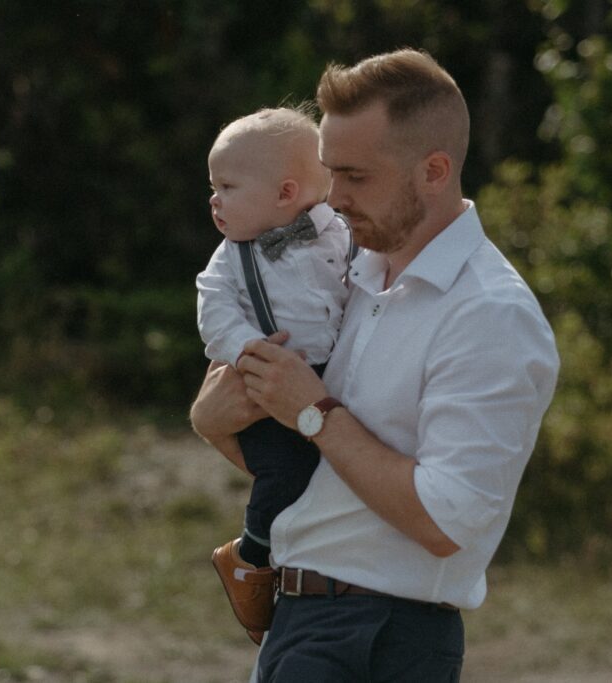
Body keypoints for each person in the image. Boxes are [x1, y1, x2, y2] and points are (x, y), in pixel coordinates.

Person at [191, 48, 559, 681]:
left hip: (384, 640)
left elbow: (447, 523)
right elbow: (317, 473)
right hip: (299, 622)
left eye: (356, 176)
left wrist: (313, 411)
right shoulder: (350, 272)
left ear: (434, 171)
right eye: (330, 172)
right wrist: (212, 420)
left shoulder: (491, 314)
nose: (333, 196)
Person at [195, 106, 352, 643]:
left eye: (228, 186)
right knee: (283, 474)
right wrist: (245, 349)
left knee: (337, 468)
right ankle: (253, 556)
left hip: (335, 378)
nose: (214, 199)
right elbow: (214, 312)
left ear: (286, 194)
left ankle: (295, 562)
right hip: (267, 386)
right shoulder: (229, 260)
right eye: (213, 186)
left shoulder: (341, 234)